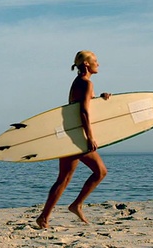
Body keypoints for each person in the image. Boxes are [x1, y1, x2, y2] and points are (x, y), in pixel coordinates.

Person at [36, 50, 111, 229]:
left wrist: (100, 99)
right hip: (78, 137)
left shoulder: (78, 82)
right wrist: (90, 137)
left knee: (64, 178)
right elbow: (83, 111)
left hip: (71, 135)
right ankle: (71, 207)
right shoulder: (86, 83)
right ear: (86, 64)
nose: (98, 64)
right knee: (98, 172)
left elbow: (83, 105)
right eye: (95, 61)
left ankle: (47, 216)